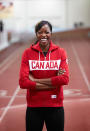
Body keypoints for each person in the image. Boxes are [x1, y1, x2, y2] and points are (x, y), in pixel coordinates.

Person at [19, 20, 69, 131]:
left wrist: (35, 80)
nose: (43, 35)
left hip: (55, 106)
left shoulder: (61, 52)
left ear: (51, 33)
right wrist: (53, 84)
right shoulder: (27, 53)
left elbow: (64, 79)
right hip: (34, 107)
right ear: (36, 34)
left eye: (47, 32)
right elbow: (23, 82)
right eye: (40, 32)